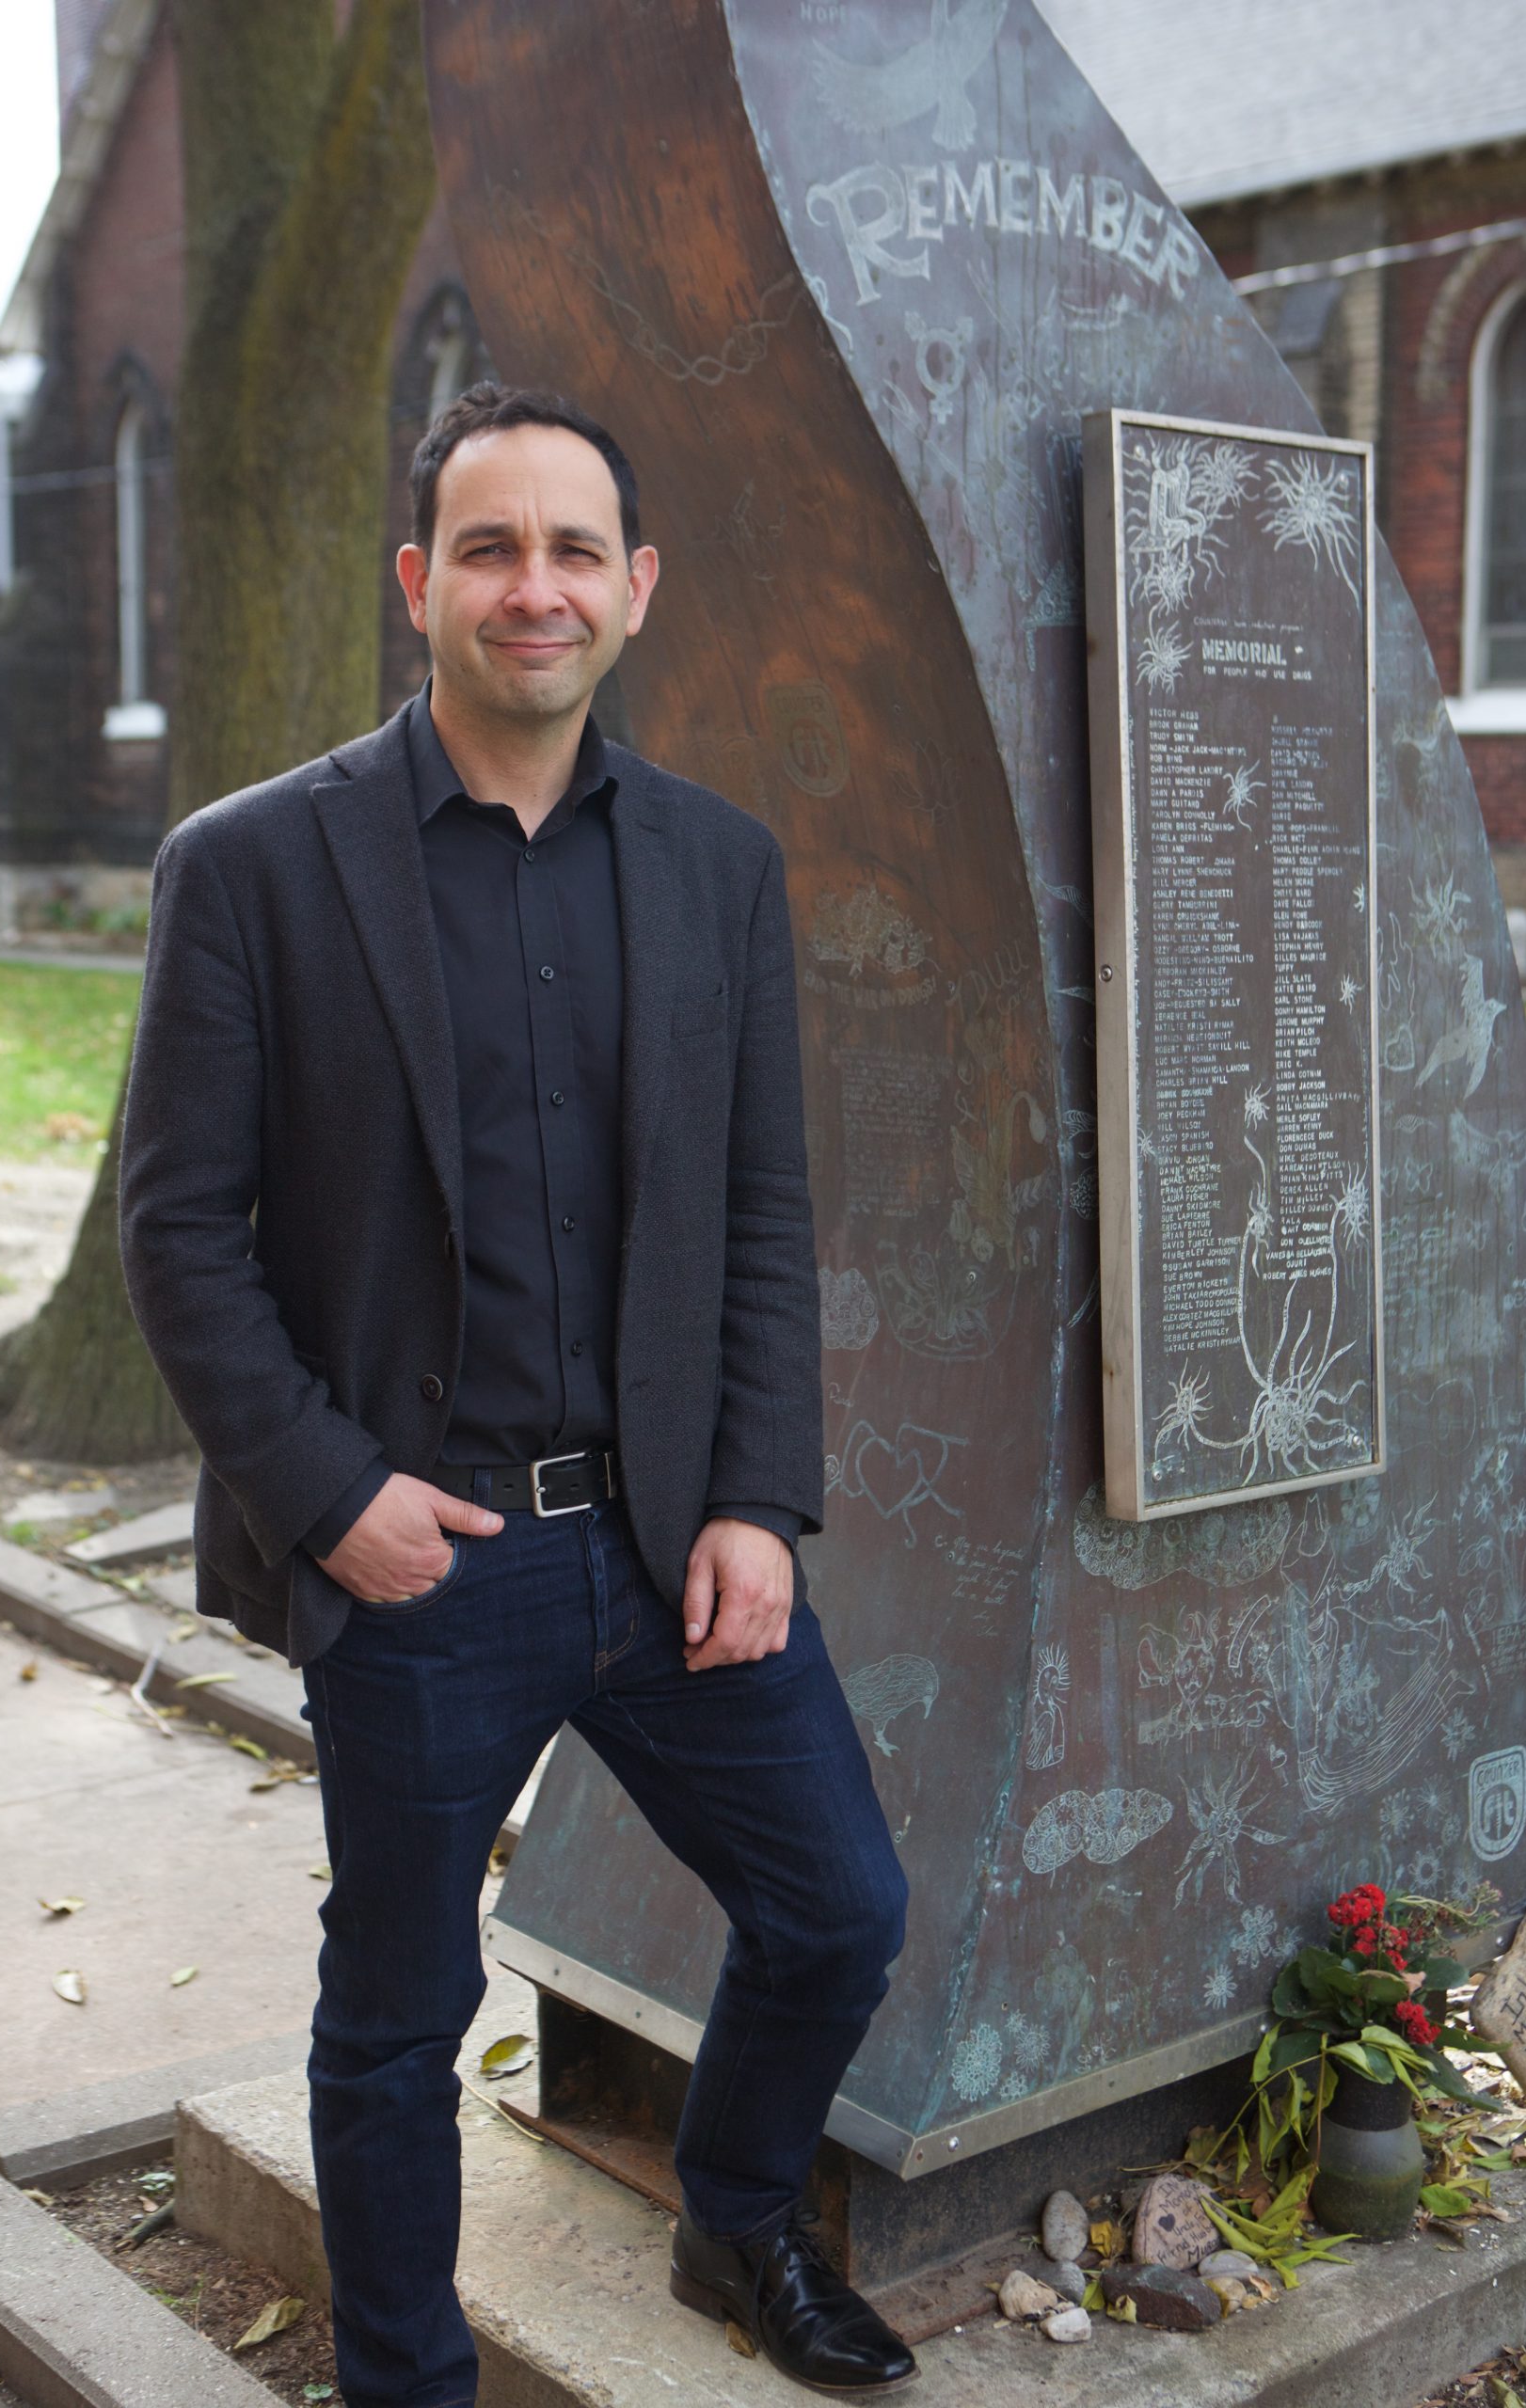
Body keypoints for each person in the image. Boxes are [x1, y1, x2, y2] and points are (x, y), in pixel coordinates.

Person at [119, 384, 914, 2406]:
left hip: (668, 1545)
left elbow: (758, 1206)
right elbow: (177, 1230)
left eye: (574, 550)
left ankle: (734, 2220)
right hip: (422, 1554)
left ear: (634, 590)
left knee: (835, 1907)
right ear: (421, 585)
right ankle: (406, 2377)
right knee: (395, 2016)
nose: (532, 586)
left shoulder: (721, 870)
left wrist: (755, 1493)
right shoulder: (253, 867)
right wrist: (328, 1496)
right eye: (489, 547)